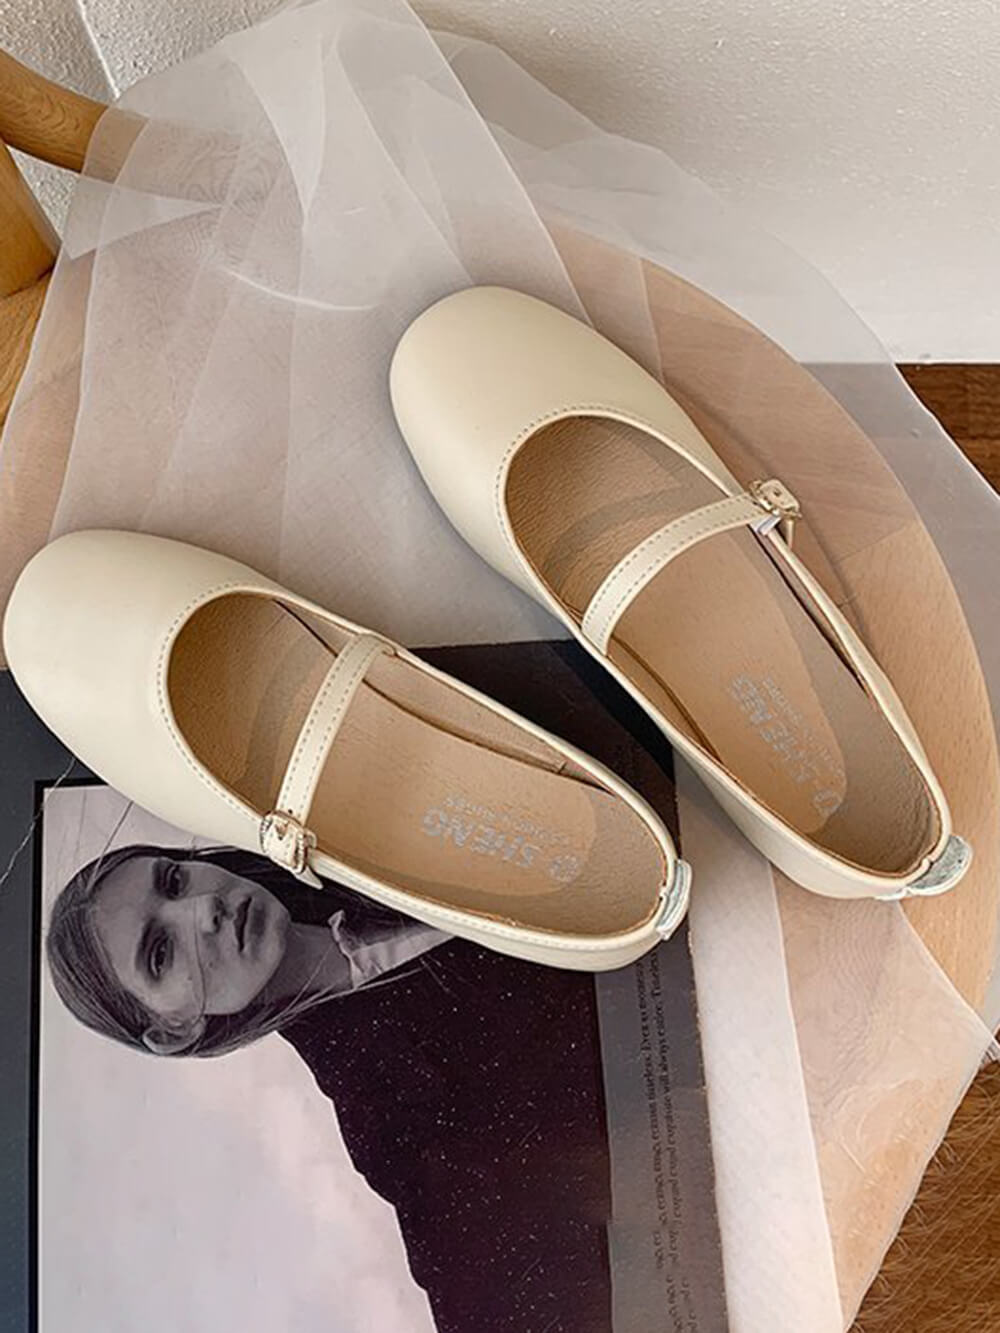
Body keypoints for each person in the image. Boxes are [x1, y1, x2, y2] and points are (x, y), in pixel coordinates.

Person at [45, 640, 681, 1332]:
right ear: (174, 1029)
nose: (203, 909)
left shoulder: (343, 806)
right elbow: (499, 1290)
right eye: (160, 951)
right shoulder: (389, 1112)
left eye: (173, 880)